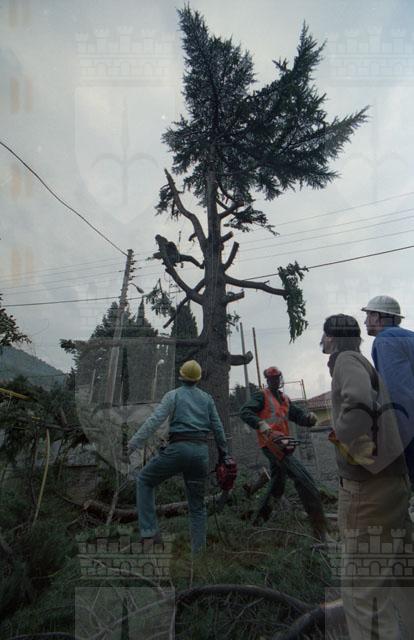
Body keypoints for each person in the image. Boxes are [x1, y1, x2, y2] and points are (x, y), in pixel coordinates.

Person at [321, 314, 412, 640]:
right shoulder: (362, 361)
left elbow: (358, 400)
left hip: (368, 492)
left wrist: (342, 433)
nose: (323, 341)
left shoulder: (345, 359)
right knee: (405, 577)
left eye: (325, 336)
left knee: (362, 594)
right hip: (393, 485)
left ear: (332, 337)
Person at [127, 359, 229, 553]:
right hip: (200, 454)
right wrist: (224, 454)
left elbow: (154, 421)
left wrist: (133, 444)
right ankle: (199, 555)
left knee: (145, 480)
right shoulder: (207, 399)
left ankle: (149, 533)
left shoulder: (173, 395)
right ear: (198, 379)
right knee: (197, 506)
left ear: (181, 376)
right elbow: (218, 428)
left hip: (178, 450)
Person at [240, 366, 328, 540]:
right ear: (268, 380)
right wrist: (260, 424)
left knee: (277, 486)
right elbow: (245, 411)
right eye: (272, 378)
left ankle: (256, 524)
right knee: (304, 480)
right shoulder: (261, 396)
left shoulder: (285, 399)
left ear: (280, 378)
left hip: (284, 443)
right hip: (271, 443)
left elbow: (298, 416)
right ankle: (320, 532)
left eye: (277, 378)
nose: (275, 381)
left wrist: (308, 418)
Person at [361, 295, 414, 489]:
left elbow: (397, 392)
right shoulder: (409, 336)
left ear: (377, 317)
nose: (365, 321)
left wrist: (399, 439)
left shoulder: (384, 340)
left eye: (368, 315)